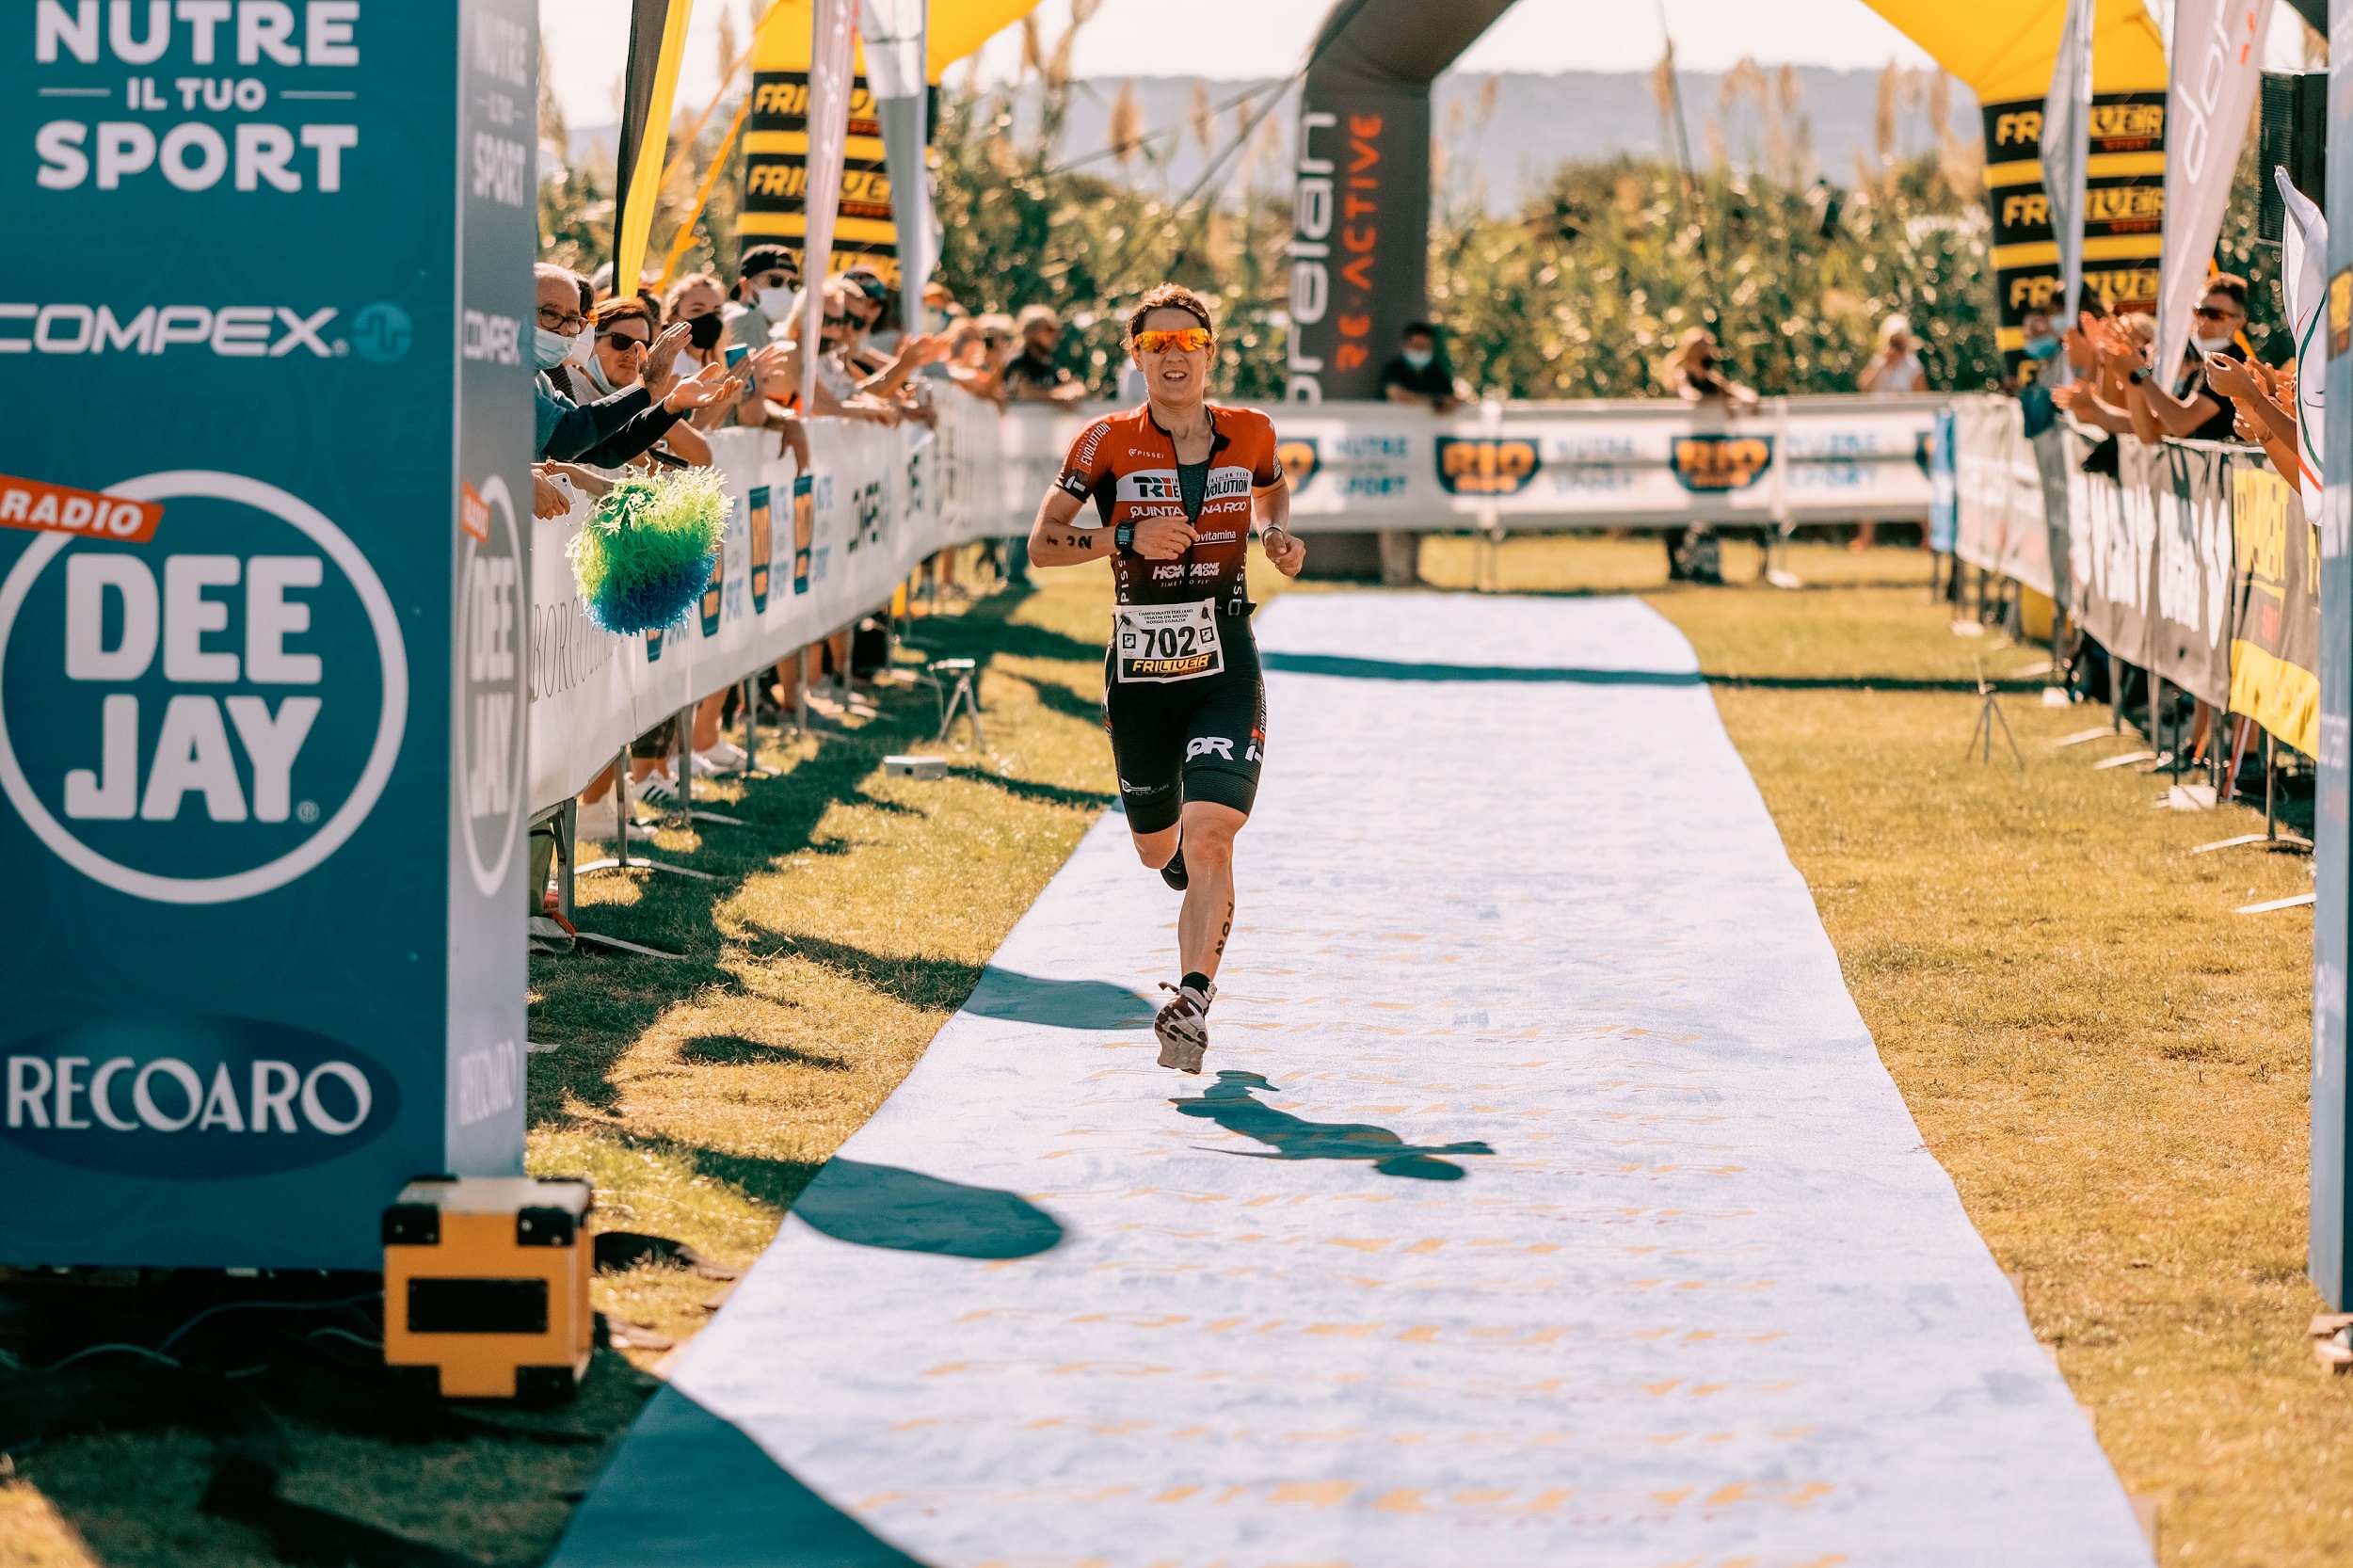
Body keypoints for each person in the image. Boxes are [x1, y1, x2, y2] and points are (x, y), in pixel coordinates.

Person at [1026, 283, 1306, 1073]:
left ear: (1212, 352)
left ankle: (1191, 1002)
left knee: (1215, 832)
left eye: (1189, 343)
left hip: (1224, 658)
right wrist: (1126, 535)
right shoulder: (1105, 441)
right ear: (1137, 357)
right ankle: (1178, 861)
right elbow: (1042, 544)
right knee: (1160, 854)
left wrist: (1275, 530)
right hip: (1140, 672)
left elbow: (1272, 483)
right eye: (1157, 345)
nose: (1174, 357)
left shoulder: (1251, 431)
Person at [532, 264, 738, 466]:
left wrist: (670, 405)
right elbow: (571, 436)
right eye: (550, 314)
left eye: (573, 319)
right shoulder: (508, 377)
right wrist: (644, 387)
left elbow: (604, 448)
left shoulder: (539, 379)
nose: (564, 329)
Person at [1659, 327, 1754, 583]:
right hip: (1686, 451)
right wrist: (1721, 403)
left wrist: (1746, 398)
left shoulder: (1713, 379)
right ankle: (1675, 566)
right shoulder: (1682, 376)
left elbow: (1737, 393)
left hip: (1711, 453)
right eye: (1704, 348)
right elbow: (1690, 397)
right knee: (1677, 511)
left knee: (1708, 511)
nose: (1709, 354)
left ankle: (1704, 565)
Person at [2122, 275, 2250, 444]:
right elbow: (2152, 432)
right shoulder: (2203, 365)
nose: (2204, 321)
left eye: (2216, 315)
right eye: (2200, 311)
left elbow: (2180, 424)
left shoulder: (2230, 364)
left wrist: (2140, 373)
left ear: (2239, 323)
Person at [722, 243, 799, 352]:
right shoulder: (747, 317)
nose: (785, 289)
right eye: (775, 281)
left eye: (792, 284)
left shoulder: (735, 314)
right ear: (746, 285)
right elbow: (754, 368)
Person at [1003, 304, 1086, 403]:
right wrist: (1058, 397)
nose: (1056, 335)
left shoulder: (1050, 366)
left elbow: (1077, 389)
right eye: (1050, 329)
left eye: (1057, 329)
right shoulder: (1017, 364)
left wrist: (1071, 391)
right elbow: (1024, 393)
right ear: (1031, 331)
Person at [1380, 322, 1462, 413]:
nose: (1421, 351)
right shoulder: (1394, 369)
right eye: (1417, 346)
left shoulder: (1437, 372)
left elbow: (1450, 397)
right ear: (1404, 345)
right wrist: (1433, 402)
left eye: (1425, 347)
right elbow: (1396, 394)